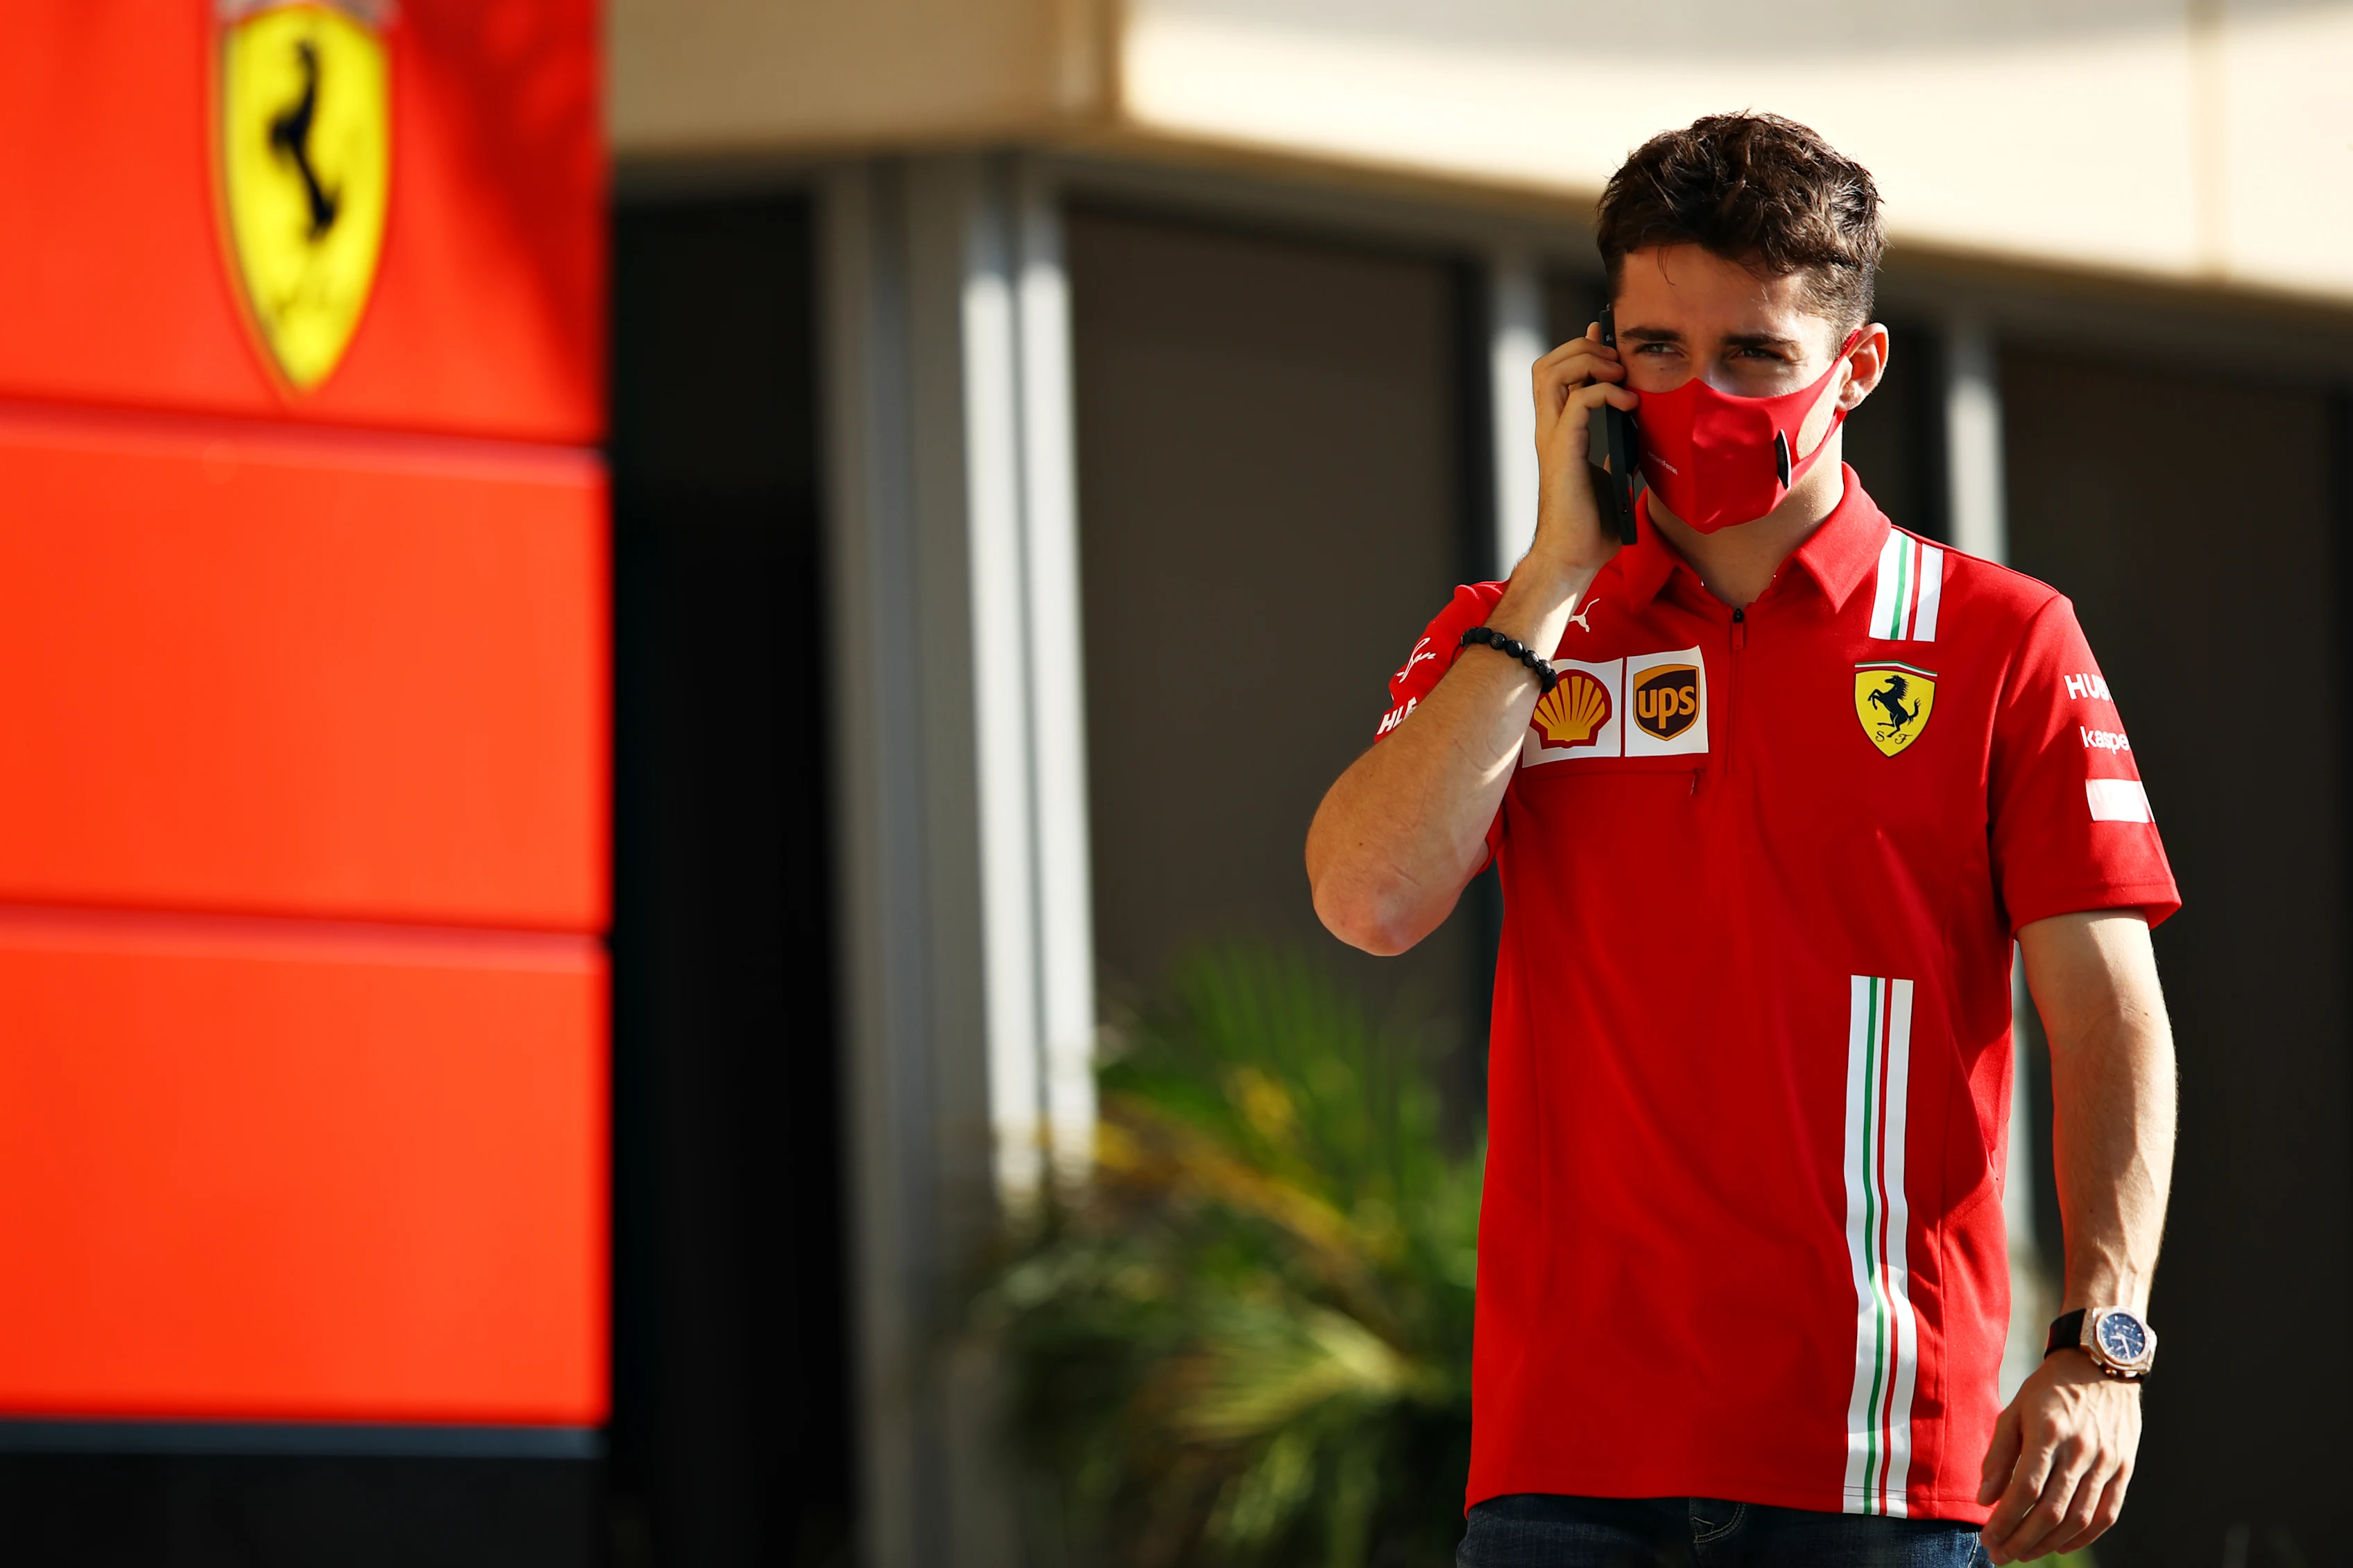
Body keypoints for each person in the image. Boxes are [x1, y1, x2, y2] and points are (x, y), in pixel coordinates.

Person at [1306, 114, 2178, 1568]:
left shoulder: (2000, 637)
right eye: (1653, 349)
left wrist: (2103, 1344)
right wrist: (1554, 575)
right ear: (1594, 362)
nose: (1696, 396)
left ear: (1856, 367)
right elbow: (1366, 897)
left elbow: (2107, 1014)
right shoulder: (1511, 637)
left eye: (1753, 358)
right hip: (1561, 1460)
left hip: (1872, 1464)